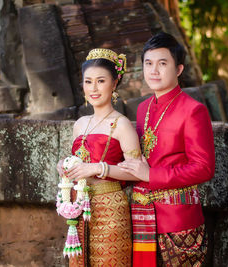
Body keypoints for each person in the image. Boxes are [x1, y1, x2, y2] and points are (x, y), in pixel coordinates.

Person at [118, 32, 215, 266]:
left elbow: (204, 168)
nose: (154, 71)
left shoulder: (193, 110)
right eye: (148, 64)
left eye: (163, 64)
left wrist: (150, 175)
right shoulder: (142, 109)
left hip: (178, 220)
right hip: (142, 215)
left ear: (179, 69)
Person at [57, 48, 144, 266]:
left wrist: (98, 168)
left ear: (114, 83)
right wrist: (66, 167)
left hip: (111, 209)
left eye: (100, 81)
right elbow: (78, 164)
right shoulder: (80, 124)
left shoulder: (121, 124)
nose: (93, 88)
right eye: (88, 82)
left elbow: (137, 170)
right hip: (79, 208)